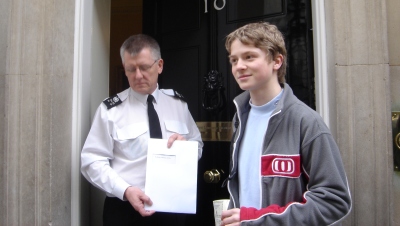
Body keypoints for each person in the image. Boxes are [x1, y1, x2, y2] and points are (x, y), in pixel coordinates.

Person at [220, 22, 352, 225]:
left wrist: (256, 221)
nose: (239, 66)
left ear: (277, 61)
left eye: (249, 57)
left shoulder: (306, 122)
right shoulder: (240, 116)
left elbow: (334, 200)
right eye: (234, 60)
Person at [81, 34, 203, 226]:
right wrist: (125, 189)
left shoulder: (178, 105)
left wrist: (186, 148)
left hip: (172, 207)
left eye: (144, 67)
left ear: (159, 65)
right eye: (131, 69)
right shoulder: (110, 110)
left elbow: (197, 144)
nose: (138, 75)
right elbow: (91, 160)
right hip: (125, 210)